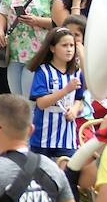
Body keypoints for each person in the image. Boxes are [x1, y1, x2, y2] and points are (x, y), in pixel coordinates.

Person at [0, 0, 60, 103]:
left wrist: (37, 21)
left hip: (38, 54)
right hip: (14, 51)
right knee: (18, 99)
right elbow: (3, 12)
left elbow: (59, 23)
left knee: (30, 99)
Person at [26, 27, 85, 158]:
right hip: (43, 136)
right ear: (52, 48)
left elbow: (80, 98)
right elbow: (41, 103)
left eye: (72, 45)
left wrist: (75, 110)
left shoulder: (77, 72)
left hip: (67, 137)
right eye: (64, 45)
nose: (69, 49)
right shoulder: (43, 71)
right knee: (40, 176)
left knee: (65, 175)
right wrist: (66, 90)